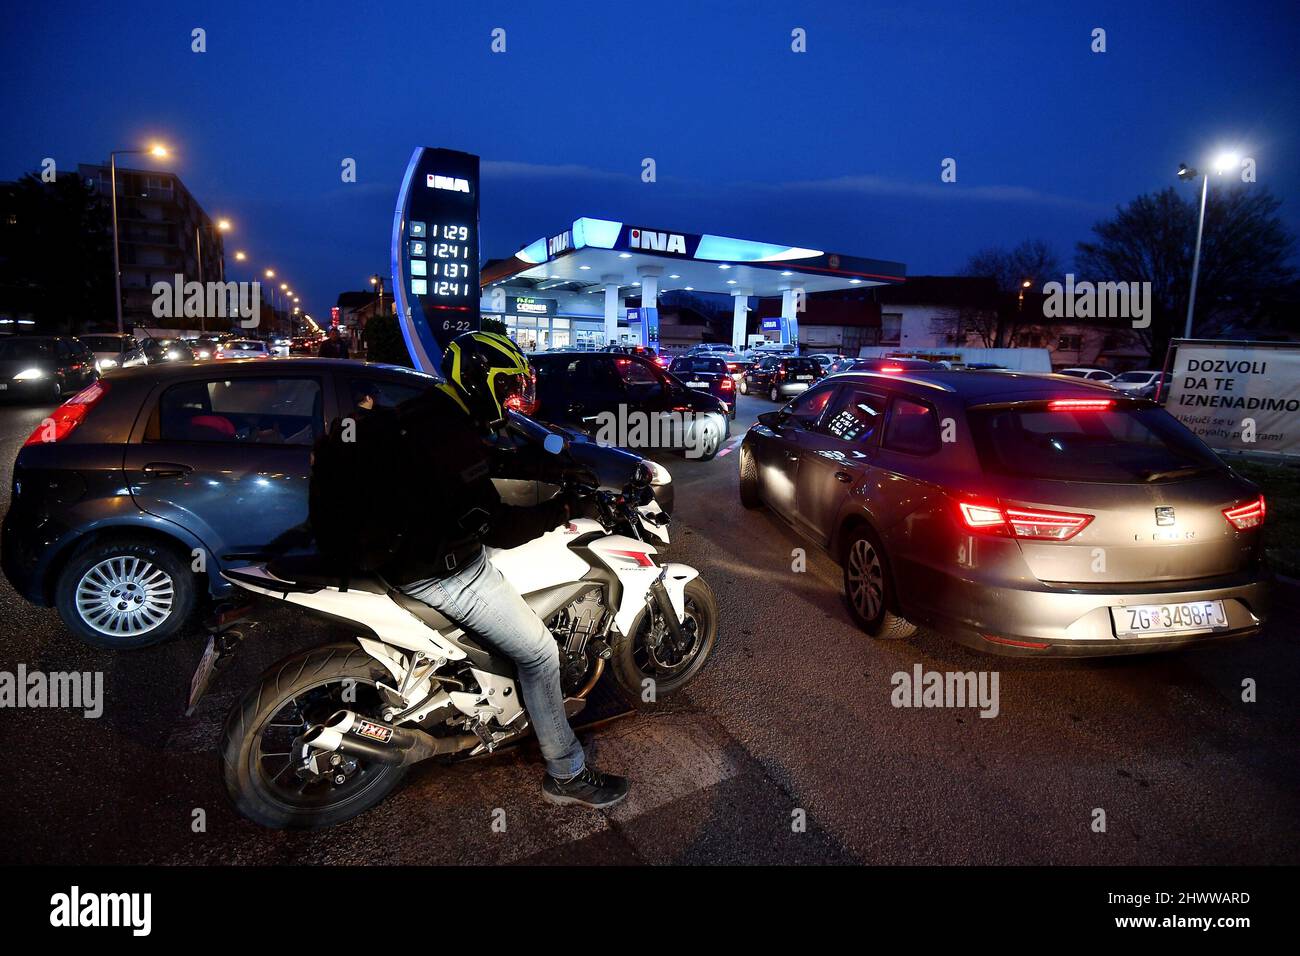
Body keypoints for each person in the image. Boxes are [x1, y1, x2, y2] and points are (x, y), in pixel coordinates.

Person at [381, 331, 630, 809]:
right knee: (539, 653)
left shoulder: (428, 412)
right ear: (479, 380)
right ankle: (567, 774)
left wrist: (554, 469)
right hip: (441, 571)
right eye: (506, 386)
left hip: (396, 556)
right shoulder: (451, 434)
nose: (512, 397)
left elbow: (492, 456)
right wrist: (563, 509)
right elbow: (498, 527)